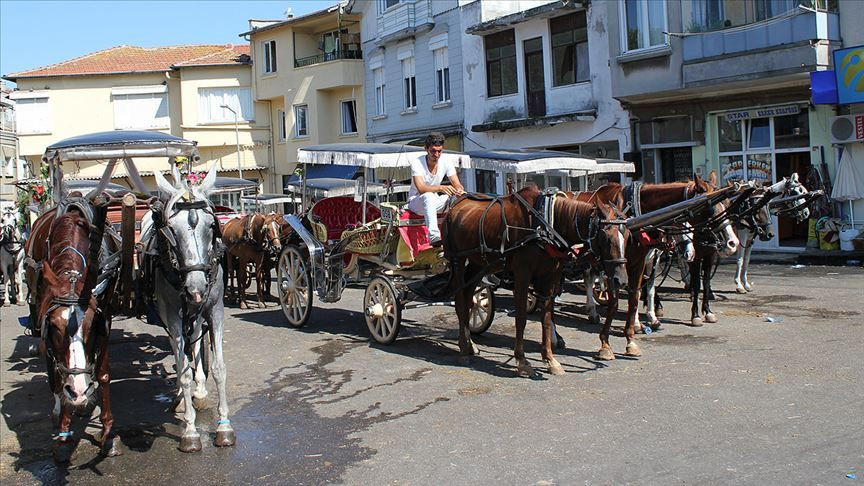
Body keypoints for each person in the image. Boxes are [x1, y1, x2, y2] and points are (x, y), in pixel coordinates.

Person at [407, 132, 465, 246]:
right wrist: (441, 188)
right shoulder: (417, 162)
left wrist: (459, 190)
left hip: (434, 202)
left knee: (459, 198)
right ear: (426, 149)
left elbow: (457, 184)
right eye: (433, 151)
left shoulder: (446, 161)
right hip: (416, 202)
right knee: (428, 196)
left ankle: (461, 232)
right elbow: (421, 188)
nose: (437, 154)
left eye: (440, 151)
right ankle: (434, 236)